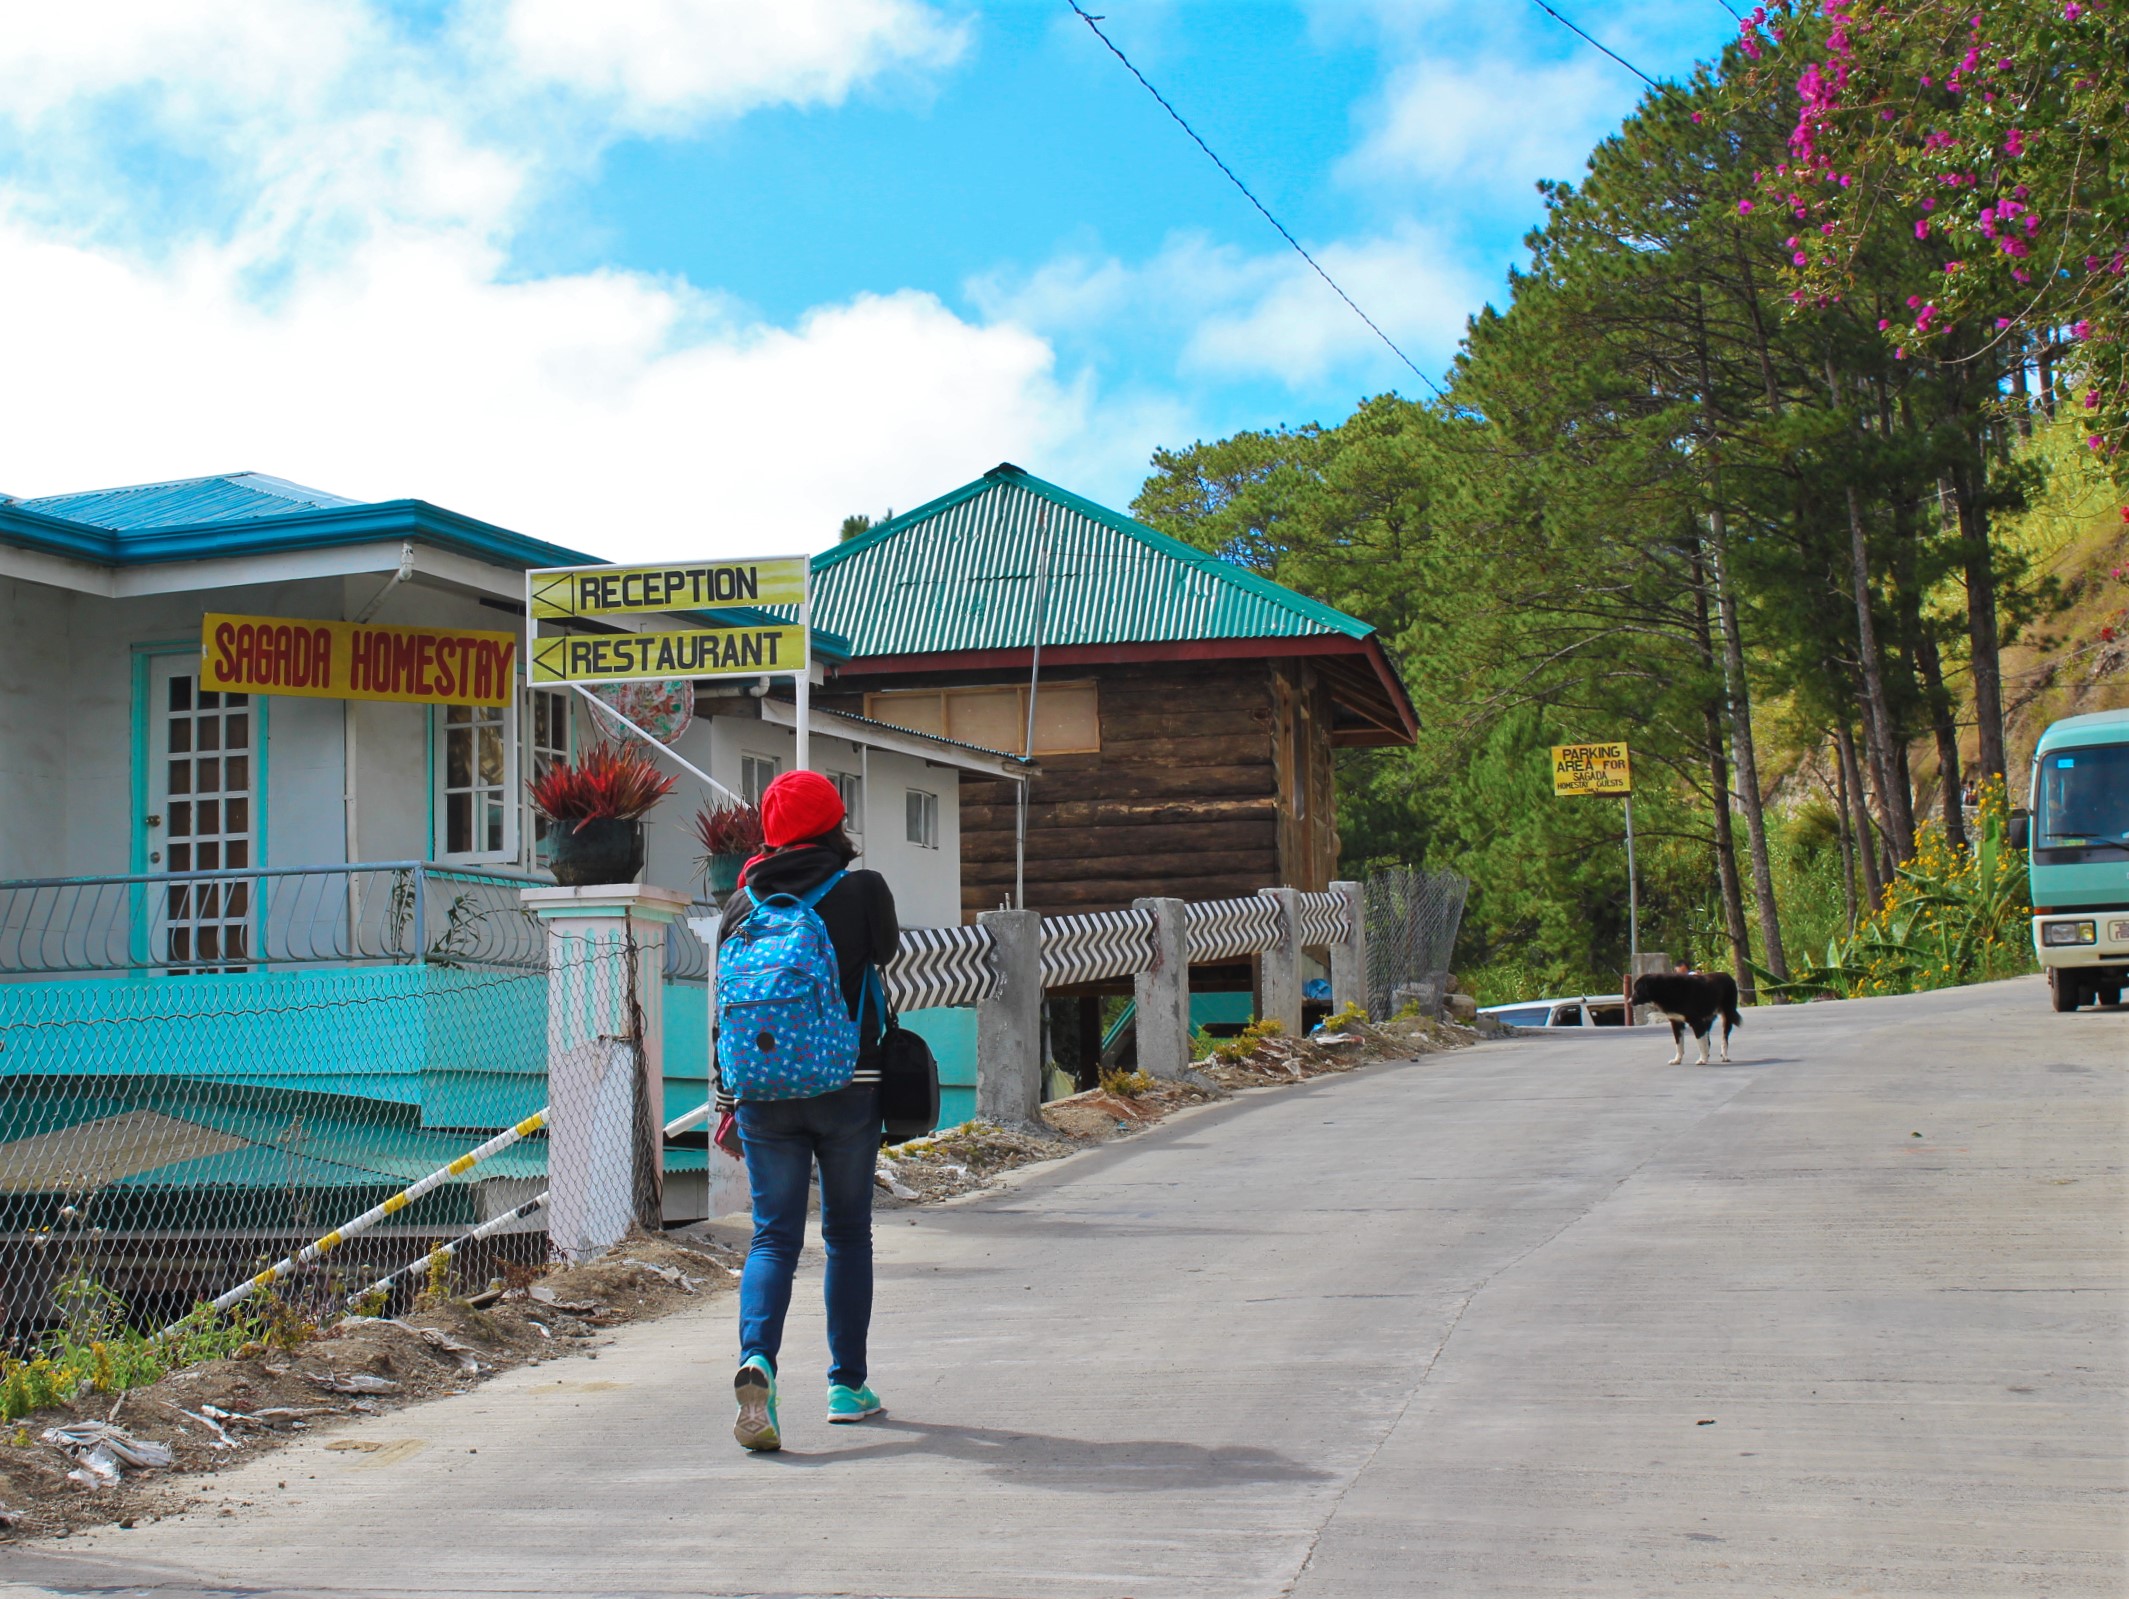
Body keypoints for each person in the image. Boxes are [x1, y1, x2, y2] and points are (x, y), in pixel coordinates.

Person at [713, 769, 899, 1453]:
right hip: (850, 1085)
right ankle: (847, 1385)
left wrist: (726, 1101)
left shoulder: (741, 903)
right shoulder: (862, 889)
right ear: (834, 822)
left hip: (764, 1093)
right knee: (848, 1233)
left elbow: (726, 1012)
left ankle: (758, 1361)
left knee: (772, 1238)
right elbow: (885, 953)